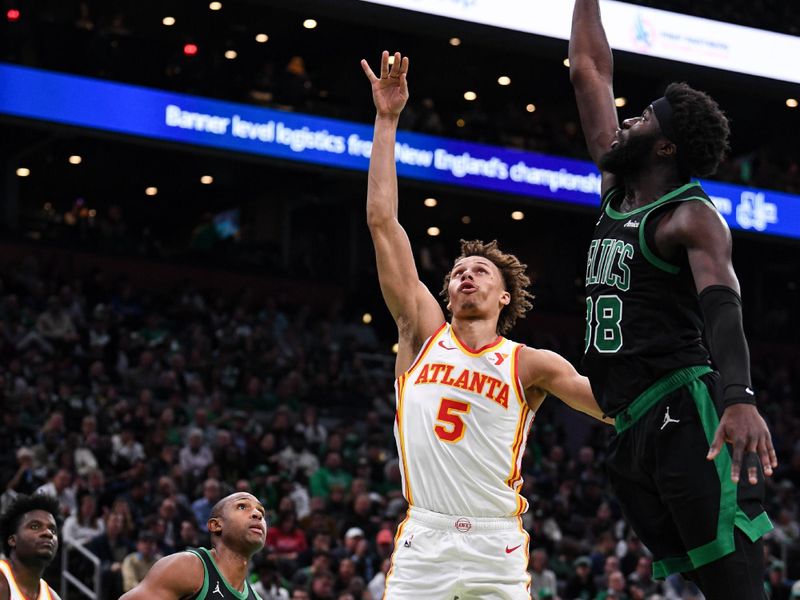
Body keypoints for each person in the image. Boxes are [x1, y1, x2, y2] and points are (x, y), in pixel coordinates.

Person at [361, 50, 611, 599]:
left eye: (479, 272)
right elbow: (383, 222)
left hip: (495, 543)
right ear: (447, 290)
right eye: (457, 272)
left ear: (504, 296)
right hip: (423, 535)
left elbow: (612, 407)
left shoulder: (530, 363)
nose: (465, 277)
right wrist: (387, 120)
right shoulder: (423, 331)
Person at [568, 2, 777, 598]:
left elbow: (724, 306)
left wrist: (738, 398)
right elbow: (590, 69)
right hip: (632, 424)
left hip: (685, 410)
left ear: (667, 149)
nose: (629, 120)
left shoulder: (692, 217)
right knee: (704, 584)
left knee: (735, 585)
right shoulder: (618, 185)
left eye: (646, 118)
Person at [119, 492, 267, 599]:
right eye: (242, 506)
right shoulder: (187, 567)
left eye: (261, 511)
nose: (257, 514)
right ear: (215, 525)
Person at [0, 494, 62, 600]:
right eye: (35, 526)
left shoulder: (52, 597)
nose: (48, 533)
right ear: (13, 540)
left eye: (52, 530)